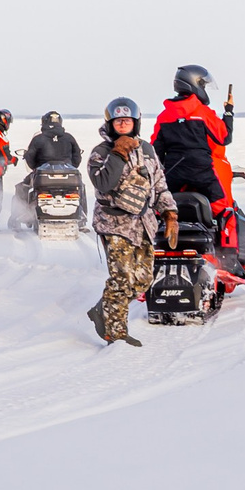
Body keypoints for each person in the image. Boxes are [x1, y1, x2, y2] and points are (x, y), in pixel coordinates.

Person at [86, 96, 175, 345]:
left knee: (143, 280)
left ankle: (102, 308)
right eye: (118, 121)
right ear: (110, 124)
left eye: (127, 120)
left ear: (135, 122)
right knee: (122, 279)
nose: (123, 124)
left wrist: (170, 213)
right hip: (114, 224)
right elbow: (104, 183)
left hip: (143, 223)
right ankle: (115, 333)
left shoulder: (147, 149)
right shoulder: (100, 152)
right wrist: (118, 153)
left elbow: (159, 183)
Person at [151, 63, 233, 204]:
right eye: (203, 85)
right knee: (223, 206)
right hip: (201, 173)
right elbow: (224, 137)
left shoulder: (164, 116)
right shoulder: (203, 113)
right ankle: (224, 226)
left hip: (173, 173)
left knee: (160, 207)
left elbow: (155, 151)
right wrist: (229, 112)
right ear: (195, 84)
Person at [17, 109, 86, 225]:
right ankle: (82, 218)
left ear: (44, 123)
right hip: (68, 176)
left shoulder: (38, 139)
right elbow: (77, 158)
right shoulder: (69, 138)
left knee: (23, 186)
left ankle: (23, 214)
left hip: (43, 177)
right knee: (81, 187)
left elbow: (30, 158)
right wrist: (69, 167)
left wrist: (35, 168)